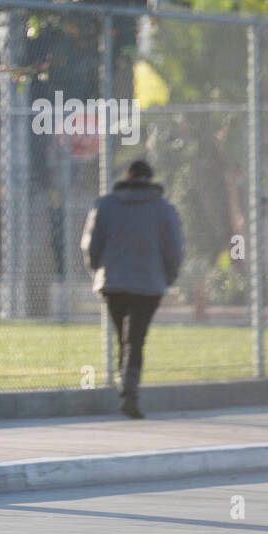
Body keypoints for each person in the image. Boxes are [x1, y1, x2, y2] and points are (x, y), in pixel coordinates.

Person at [80, 159, 184, 419]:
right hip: (149, 284)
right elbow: (174, 248)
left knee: (123, 337)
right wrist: (168, 276)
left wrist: (97, 270)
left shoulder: (104, 205)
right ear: (150, 179)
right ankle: (130, 393)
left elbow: (90, 245)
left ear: (127, 177)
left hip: (113, 283)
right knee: (135, 339)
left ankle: (125, 389)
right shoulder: (164, 208)